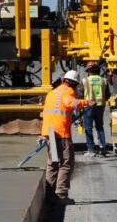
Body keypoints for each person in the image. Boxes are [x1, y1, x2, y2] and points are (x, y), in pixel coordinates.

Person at [40, 70, 89, 204]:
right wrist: (86, 102)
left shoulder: (52, 93)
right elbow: (70, 103)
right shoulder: (69, 91)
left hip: (49, 132)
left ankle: (49, 195)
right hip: (61, 134)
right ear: (74, 84)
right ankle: (60, 195)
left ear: (63, 80)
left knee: (53, 163)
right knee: (66, 164)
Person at [82, 61, 110, 157]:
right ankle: (102, 148)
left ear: (89, 71)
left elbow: (80, 95)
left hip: (88, 106)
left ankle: (91, 150)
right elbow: (108, 95)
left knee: (88, 128)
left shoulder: (85, 80)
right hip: (100, 106)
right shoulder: (103, 80)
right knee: (99, 127)